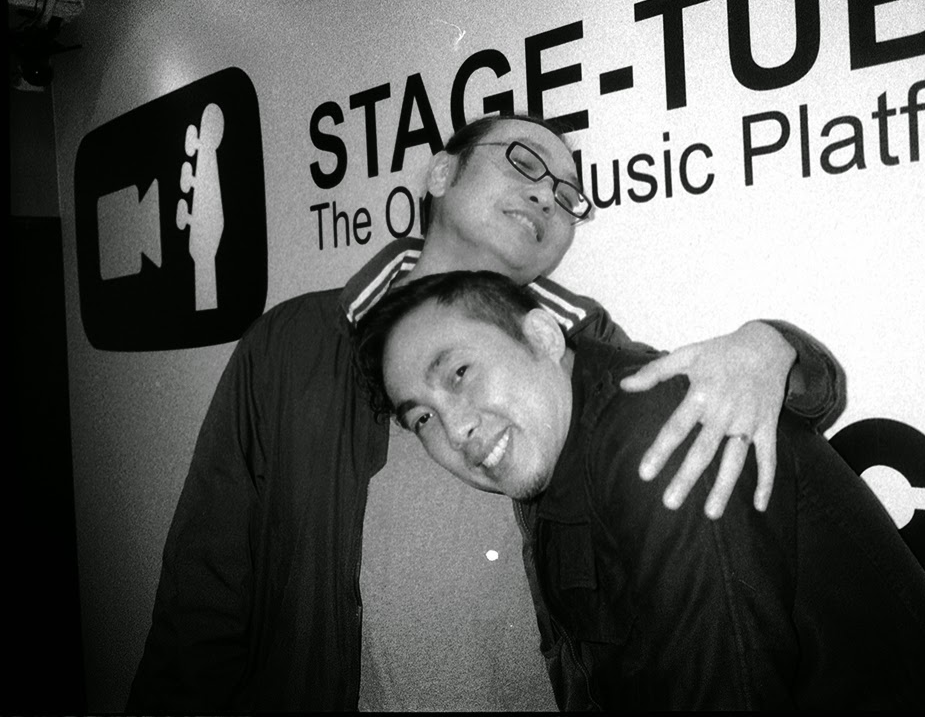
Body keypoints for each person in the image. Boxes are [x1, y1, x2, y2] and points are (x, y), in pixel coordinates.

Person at [127, 113, 845, 711]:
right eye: (525, 162)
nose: (547, 196)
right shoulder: (293, 344)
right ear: (441, 173)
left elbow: (712, 419)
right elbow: (205, 589)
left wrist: (773, 348)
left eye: (567, 194)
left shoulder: (584, 342)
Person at [353, 269, 925, 710]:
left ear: (544, 337)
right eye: (422, 418)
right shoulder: (554, 450)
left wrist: (774, 343)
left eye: (459, 373)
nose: (455, 429)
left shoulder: (657, 433)